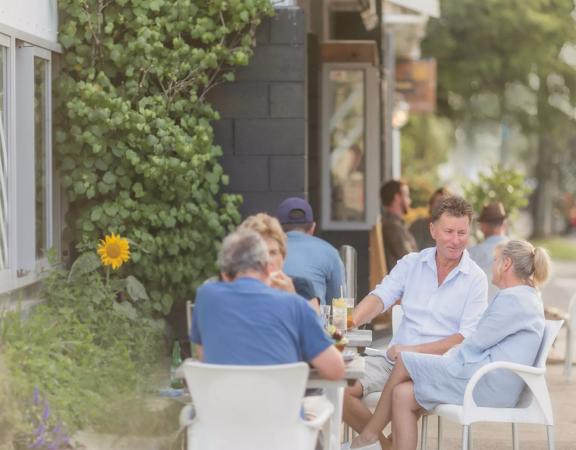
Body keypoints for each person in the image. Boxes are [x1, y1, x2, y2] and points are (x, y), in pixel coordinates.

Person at [351, 240, 549, 450]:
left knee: (405, 362)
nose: (492, 265)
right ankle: (376, 442)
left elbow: (475, 343)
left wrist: (434, 361)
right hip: (491, 379)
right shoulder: (525, 297)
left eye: (495, 260)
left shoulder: (513, 300)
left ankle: (368, 437)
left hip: (488, 383)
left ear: (507, 263)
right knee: (403, 394)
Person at [343, 196, 488, 448]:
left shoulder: (476, 279)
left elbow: (465, 338)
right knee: (340, 386)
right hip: (392, 361)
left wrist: (411, 352)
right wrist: (349, 321)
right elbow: (380, 297)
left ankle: (368, 441)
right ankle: (382, 445)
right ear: (433, 230)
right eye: (449, 231)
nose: (456, 240)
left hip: (436, 368)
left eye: (462, 233)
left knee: (403, 396)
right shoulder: (412, 264)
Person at [191, 229, 345, 380]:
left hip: (221, 404)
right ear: (266, 267)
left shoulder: (205, 296)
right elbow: (335, 370)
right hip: (282, 404)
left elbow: (203, 355)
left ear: (224, 275)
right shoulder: (295, 304)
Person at [238, 213, 321, 312]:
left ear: (283, 257)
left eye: (273, 252)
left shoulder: (300, 286)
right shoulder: (235, 290)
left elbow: (315, 325)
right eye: (260, 253)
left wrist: (292, 298)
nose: (267, 259)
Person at [277, 197, 345, 305]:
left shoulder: (265, 252)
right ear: (313, 227)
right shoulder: (330, 252)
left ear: (277, 228)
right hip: (313, 318)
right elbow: (338, 303)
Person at [469, 202, 509, 301]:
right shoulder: (518, 250)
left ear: (483, 226)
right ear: (504, 224)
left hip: (480, 312)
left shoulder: (472, 254)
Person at [379, 180, 417, 270]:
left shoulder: (392, 223)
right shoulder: (392, 226)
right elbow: (408, 259)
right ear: (397, 197)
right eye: (407, 196)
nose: (410, 201)